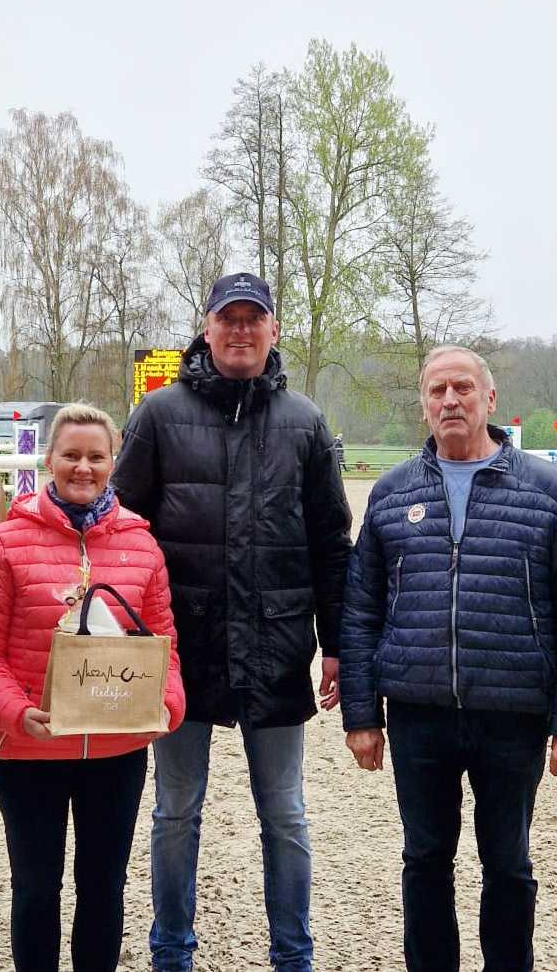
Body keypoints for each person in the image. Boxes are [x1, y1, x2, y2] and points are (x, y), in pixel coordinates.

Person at [112, 271, 353, 972]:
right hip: (179, 650)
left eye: (255, 318)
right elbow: (124, 532)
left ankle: (293, 955)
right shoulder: (157, 416)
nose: (242, 329)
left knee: (284, 813)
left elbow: (331, 544)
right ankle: (171, 952)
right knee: (175, 810)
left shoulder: (306, 425)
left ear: (274, 329)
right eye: (229, 318)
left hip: (276, 645)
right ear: (207, 327)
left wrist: (335, 644)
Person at [339, 345, 557, 972]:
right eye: (437, 390)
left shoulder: (548, 492)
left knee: (509, 863)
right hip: (418, 713)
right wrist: (361, 713)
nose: (450, 400)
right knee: (424, 859)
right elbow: (360, 610)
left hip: (512, 713)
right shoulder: (391, 492)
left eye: (463, 388)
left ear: (490, 400)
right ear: (424, 404)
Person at [0, 403, 186, 972]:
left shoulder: (142, 546)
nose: (83, 468)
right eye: (71, 456)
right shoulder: (4, 545)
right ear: (50, 459)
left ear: (113, 462)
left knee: (104, 890)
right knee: (36, 891)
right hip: (30, 749)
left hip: (115, 752)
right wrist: (15, 711)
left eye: (95, 457)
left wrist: (169, 702)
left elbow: (165, 643)